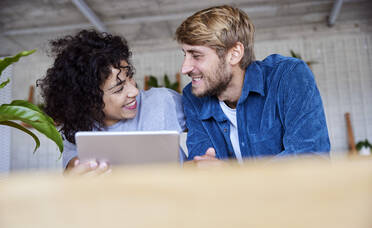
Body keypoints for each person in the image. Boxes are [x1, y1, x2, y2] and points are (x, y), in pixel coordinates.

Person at [175, 5, 330, 164]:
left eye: (196, 55)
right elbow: (202, 167)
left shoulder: (288, 76)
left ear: (234, 54)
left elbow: (311, 159)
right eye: (185, 55)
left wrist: (230, 176)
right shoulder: (193, 96)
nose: (184, 68)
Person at [38, 30, 185, 175]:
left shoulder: (163, 101)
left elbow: (206, 122)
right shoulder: (79, 133)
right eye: (119, 89)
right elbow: (73, 171)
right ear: (90, 102)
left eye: (129, 76)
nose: (134, 91)